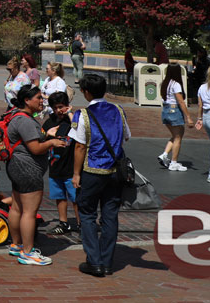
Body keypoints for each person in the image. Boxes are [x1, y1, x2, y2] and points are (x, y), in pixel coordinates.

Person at [70, 74, 131, 277]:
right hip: (115, 172)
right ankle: (106, 262)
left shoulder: (83, 114)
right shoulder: (118, 110)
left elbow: (79, 147)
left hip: (92, 171)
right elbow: (126, 136)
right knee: (110, 215)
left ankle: (94, 261)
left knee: (87, 214)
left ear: (87, 92)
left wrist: (76, 174)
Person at [5, 85, 66, 266]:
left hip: (16, 167)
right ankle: (28, 252)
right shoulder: (26, 121)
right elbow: (35, 148)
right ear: (27, 100)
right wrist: (52, 142)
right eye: (38, 98)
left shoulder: (16, 117)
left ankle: (16, 245)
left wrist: (46, 135)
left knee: (16, 207)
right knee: (29, 213)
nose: (42, 101)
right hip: (28, 169)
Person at [43, 91, 79, 235]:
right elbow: (41, 138)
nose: (59, 110)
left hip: (71, 167)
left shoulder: (72, 120)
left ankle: (81, 223)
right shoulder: (50, 122)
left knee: (76, 198)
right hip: (55, 165)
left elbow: (79, 130)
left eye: (61, 107)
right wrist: (46, 135)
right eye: (55, 107)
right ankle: (63, 223)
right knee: (59, 196)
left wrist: (70, 114)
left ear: (68, 106)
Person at [157, 63, 193, 171]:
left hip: (166, 110)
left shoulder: (165, 83)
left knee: (176, 135)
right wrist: (188, 117)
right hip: (174, 110)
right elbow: (181, 102)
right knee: (178, 137)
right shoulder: (176, 84)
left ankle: (164, 154)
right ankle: (174, 162)